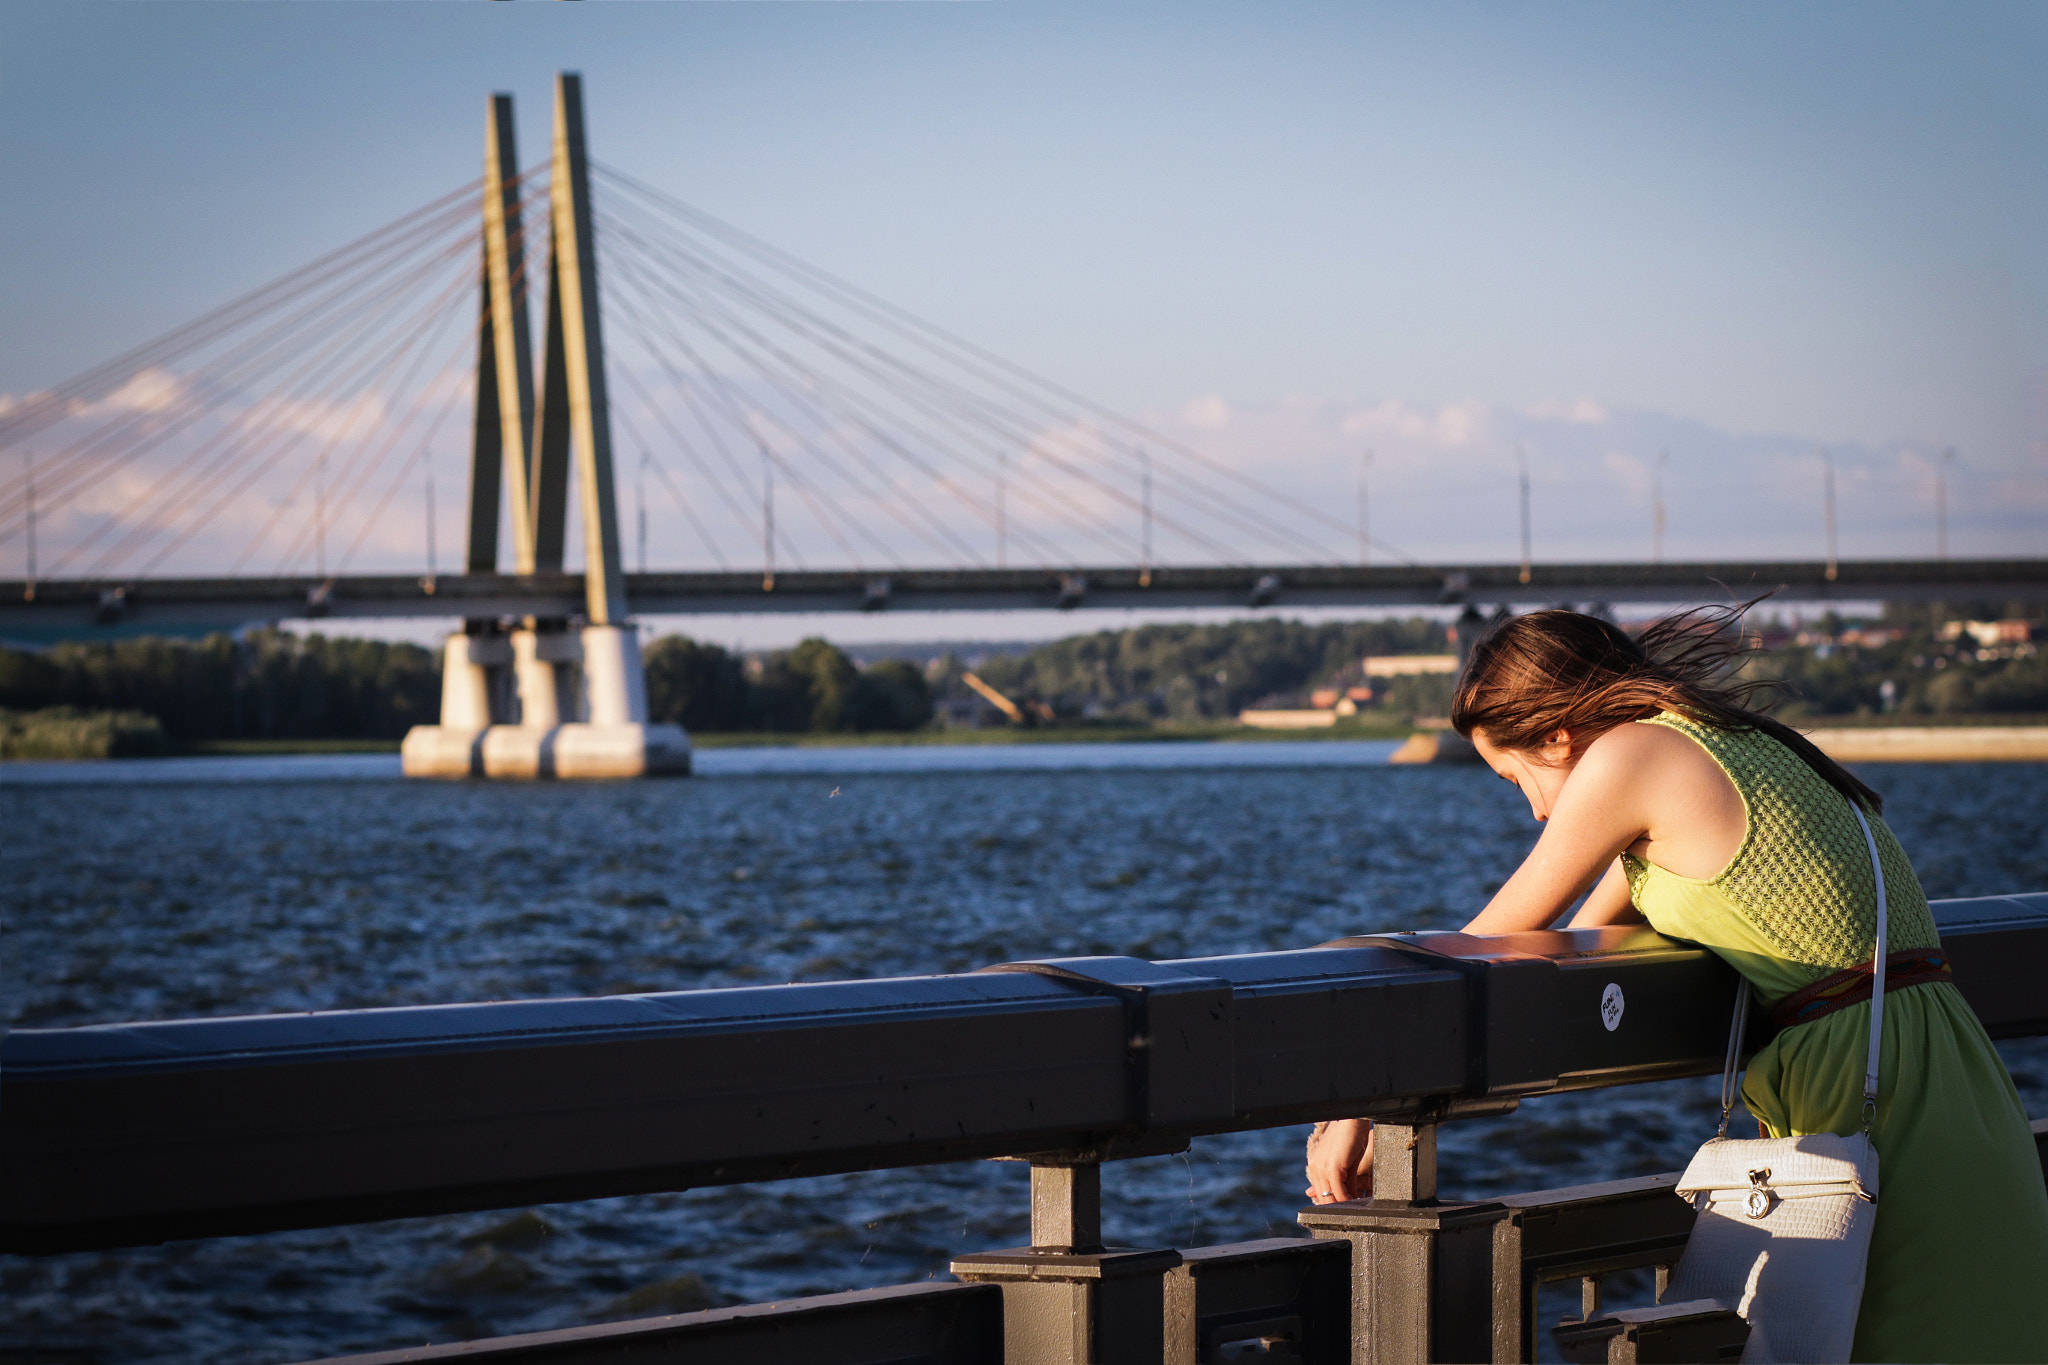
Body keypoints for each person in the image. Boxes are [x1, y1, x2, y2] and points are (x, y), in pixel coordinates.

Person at [1303, 605, 2048, 1364]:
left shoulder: (1633, 757)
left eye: (1518, 775)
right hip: (1952, 1073)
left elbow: (1494, 937)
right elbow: (1571, 948)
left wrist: (1368, 1100)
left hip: (1869, 1089)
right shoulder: (1730, 741)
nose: (1533, 806)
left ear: (1558, 732)